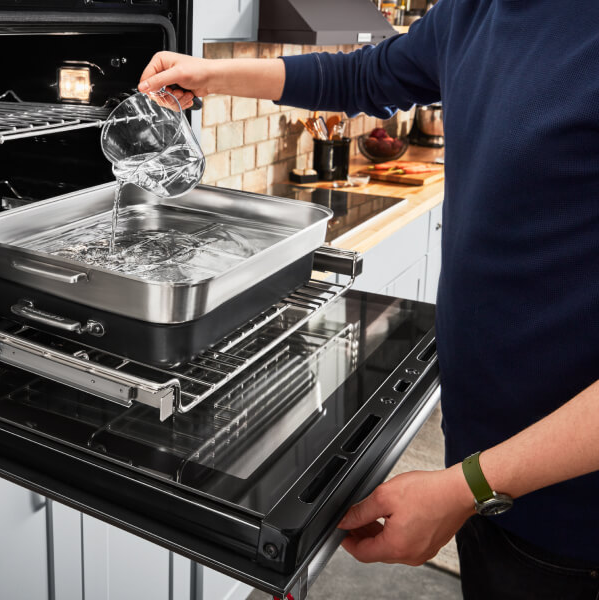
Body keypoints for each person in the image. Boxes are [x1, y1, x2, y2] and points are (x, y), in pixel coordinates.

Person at [137, 1, 599, 598]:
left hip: (574, 520)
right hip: (487, 474)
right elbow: (361, 76)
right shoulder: (473, 12)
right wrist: (211, 74)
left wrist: (469, 488)